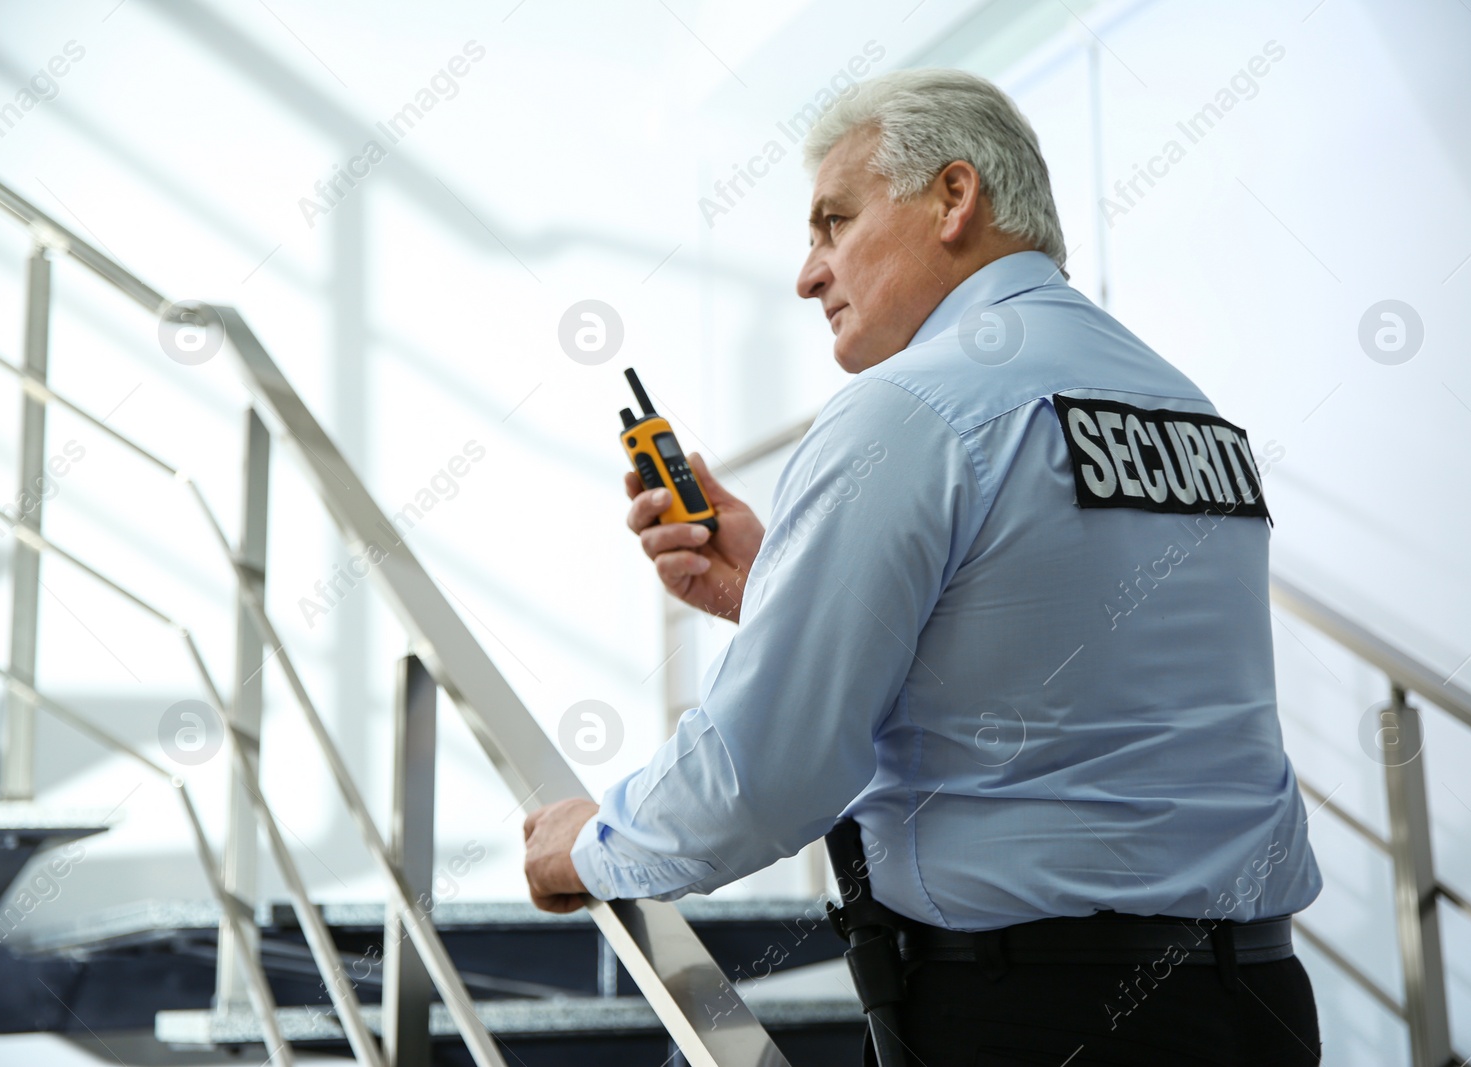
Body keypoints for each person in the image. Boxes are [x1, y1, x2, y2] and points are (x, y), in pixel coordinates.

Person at [524, 68, 1323, 1065]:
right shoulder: (1184, 405)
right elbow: (1056, 650)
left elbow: (762, 779)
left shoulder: (909, 408)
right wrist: (775, 582)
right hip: (1257, 1005)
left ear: (955, 197)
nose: (808, 274)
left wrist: (590, 842)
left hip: (1032, 1017)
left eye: (833, 221)